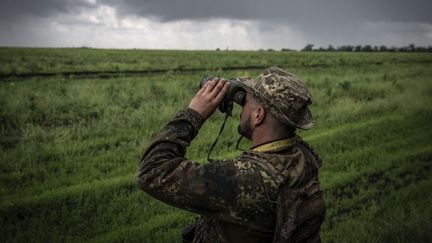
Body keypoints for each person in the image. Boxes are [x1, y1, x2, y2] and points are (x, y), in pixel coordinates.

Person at [136, 66, 325, 243]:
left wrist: (193, 114)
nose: (241, 107)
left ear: (258, 115)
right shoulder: (303, 155)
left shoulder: (244, 179)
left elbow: (151, 171)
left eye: (245, 102)